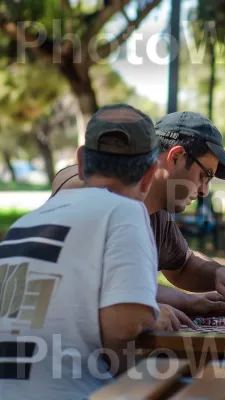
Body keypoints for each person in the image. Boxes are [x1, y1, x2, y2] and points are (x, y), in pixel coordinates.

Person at [0, 104, 164, 399]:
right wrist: (151, 314)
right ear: (151, 174)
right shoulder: (125, 210)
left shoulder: (25, 222)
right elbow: (126, 322)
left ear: (81, 161)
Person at [51, 111, 225, 326]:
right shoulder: (96, 191)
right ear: (175, 157)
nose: (204, 191)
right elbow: (100, 284)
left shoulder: (159, 215)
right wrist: (181, 302)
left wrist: (218, 273)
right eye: (204, 176)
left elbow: (183, 266)